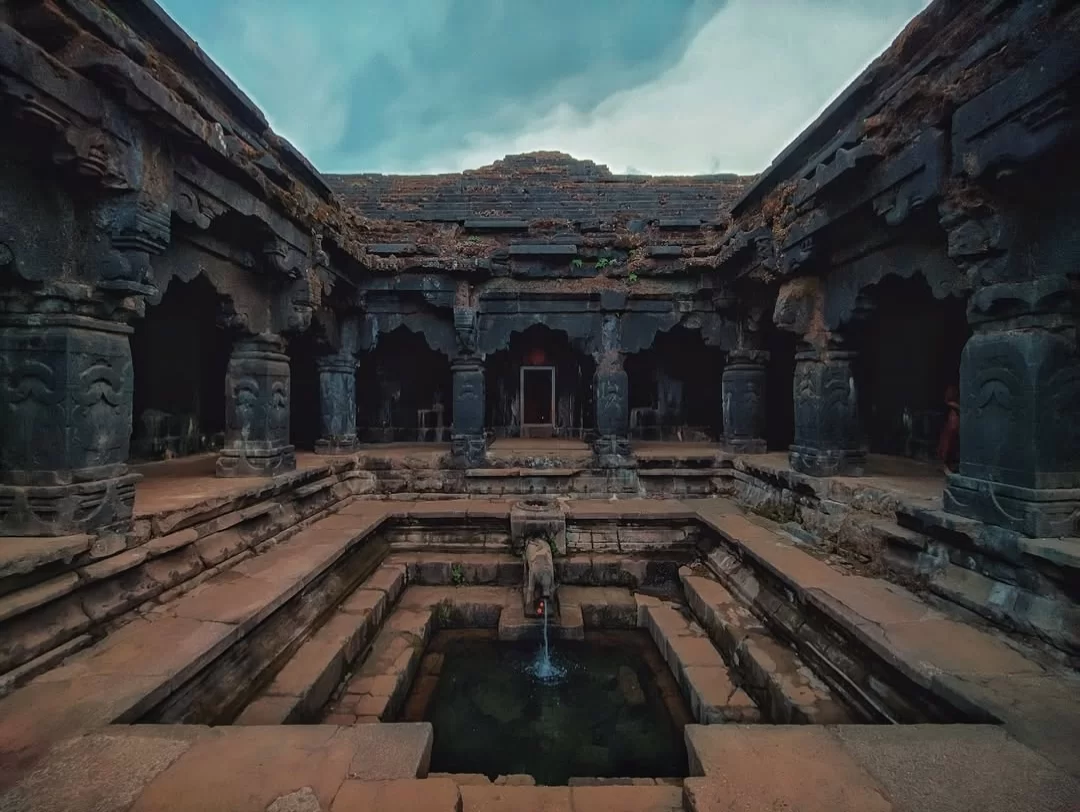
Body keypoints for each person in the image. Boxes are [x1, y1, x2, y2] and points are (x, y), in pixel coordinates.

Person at [937, 385, 961, 474]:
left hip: (959, 416)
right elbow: (948, 401)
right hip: (953, 415)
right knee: (949, 437)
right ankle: (945, 464)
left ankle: (951, 465)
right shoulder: (952, 389)